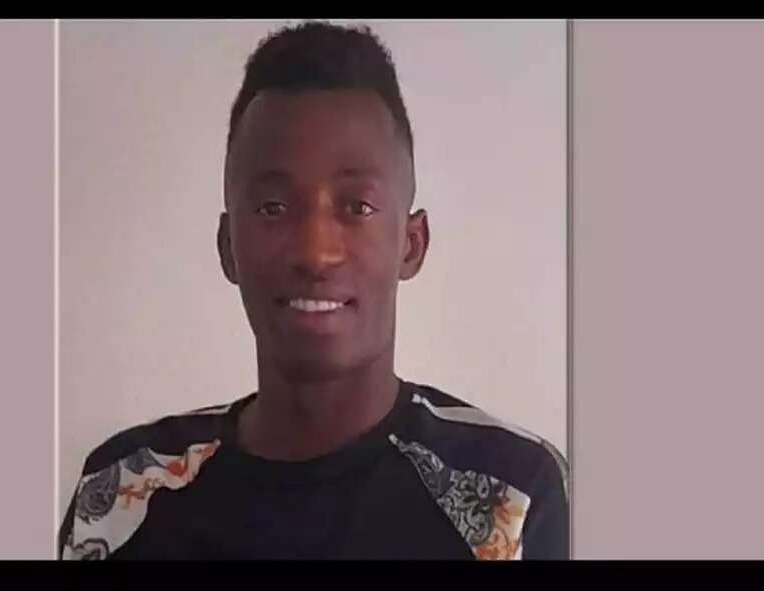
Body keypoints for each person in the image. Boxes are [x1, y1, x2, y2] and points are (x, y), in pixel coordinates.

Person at [58, 21, 569, 561]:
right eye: (273, 207)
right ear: (228, 247)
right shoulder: (123, 492)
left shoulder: (516, 497)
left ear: (411, 244)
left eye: (357, 206)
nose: (315, 252)